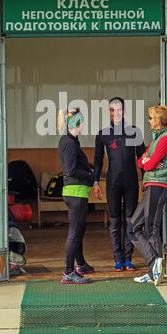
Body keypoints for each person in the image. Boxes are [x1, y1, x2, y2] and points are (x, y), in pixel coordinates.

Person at [93, 97, 145, 272]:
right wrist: (95, 182)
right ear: (109, 112)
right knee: (115, 222)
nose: (116, 113)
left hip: (131, 183)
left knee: (130, 221)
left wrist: (146, 179)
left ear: (124, 111)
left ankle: (128, 258)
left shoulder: (134, 132)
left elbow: (143, 158)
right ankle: (118, 259)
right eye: (113, 110)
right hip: (112, 183)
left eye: (120, 109)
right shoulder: (102, 134)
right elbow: (98, 160)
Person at [127, 105, 167, 286]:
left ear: (158, 120)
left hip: (158, 186)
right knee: (132, 227)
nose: (149, 121)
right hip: (151, 187)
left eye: (151, 118)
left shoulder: (166, 139)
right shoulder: (156, 139)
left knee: (151, 228)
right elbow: (141, 161)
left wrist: (149, 161)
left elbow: (146, 165)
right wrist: (148, 160)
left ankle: (155, 269)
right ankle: (154, 265)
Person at [57, 108, 95, 284]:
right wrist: (89, 175)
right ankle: (68, 272)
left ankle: (80, 264)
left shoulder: (70, 140)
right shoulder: (70, 144)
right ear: (76, 125)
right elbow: (71, 170)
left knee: (78, 230)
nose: (84, 125)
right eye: (81, 122)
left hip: (73, 192)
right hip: (76, 192)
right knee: (74, 233)